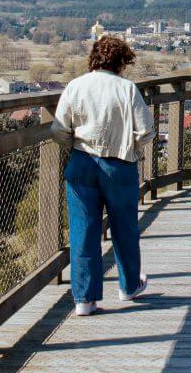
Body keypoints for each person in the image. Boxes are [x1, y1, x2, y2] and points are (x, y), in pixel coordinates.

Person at [51, 35, 155, 316]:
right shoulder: (127, 88)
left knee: (83, 231)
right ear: (121, 62)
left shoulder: (75, 86)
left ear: (94, 59)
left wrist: (75, 144)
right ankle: (129, 286)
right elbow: (147, 131)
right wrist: (129, 145)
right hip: (119, 164)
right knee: (125, 228)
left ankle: (84, 299)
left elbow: (58, 129)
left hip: (82, 162)